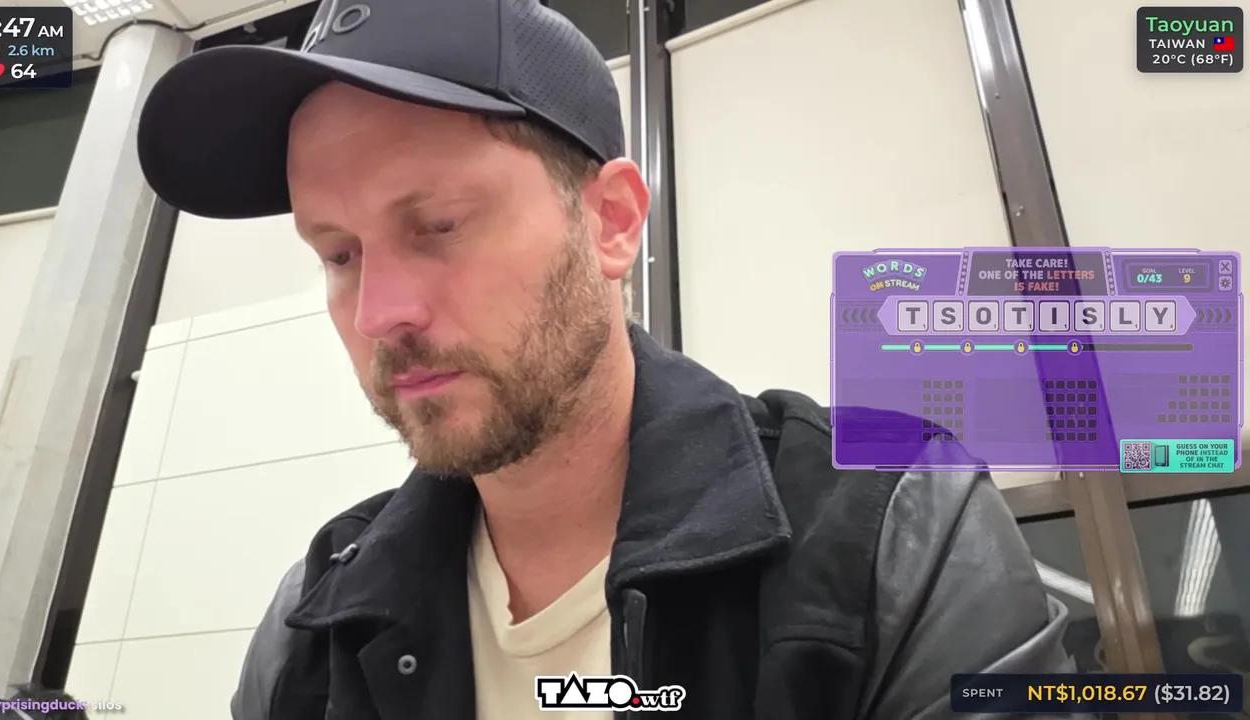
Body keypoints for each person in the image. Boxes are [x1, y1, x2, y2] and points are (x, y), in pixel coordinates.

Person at [135, 0, 1075, 717]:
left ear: (612, 222)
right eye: (339, 255)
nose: (380, 313)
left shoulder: (891, 533)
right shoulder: (317, 620)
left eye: (440, 225)